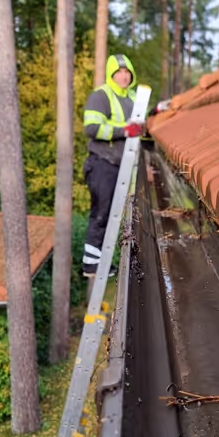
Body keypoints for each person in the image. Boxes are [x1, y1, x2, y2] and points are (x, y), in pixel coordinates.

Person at [81, 53, 143, 276]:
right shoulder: (102, 96)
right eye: (119, 72)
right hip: (102, 163)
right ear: (111, 74)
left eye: (127, 72)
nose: (124, 76)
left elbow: (143, 124)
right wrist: (123, 131)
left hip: (122, 165)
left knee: (114, 215)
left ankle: (102, 261)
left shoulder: (134, 97)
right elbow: (91, 127)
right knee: (101, 211)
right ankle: (91, 263)